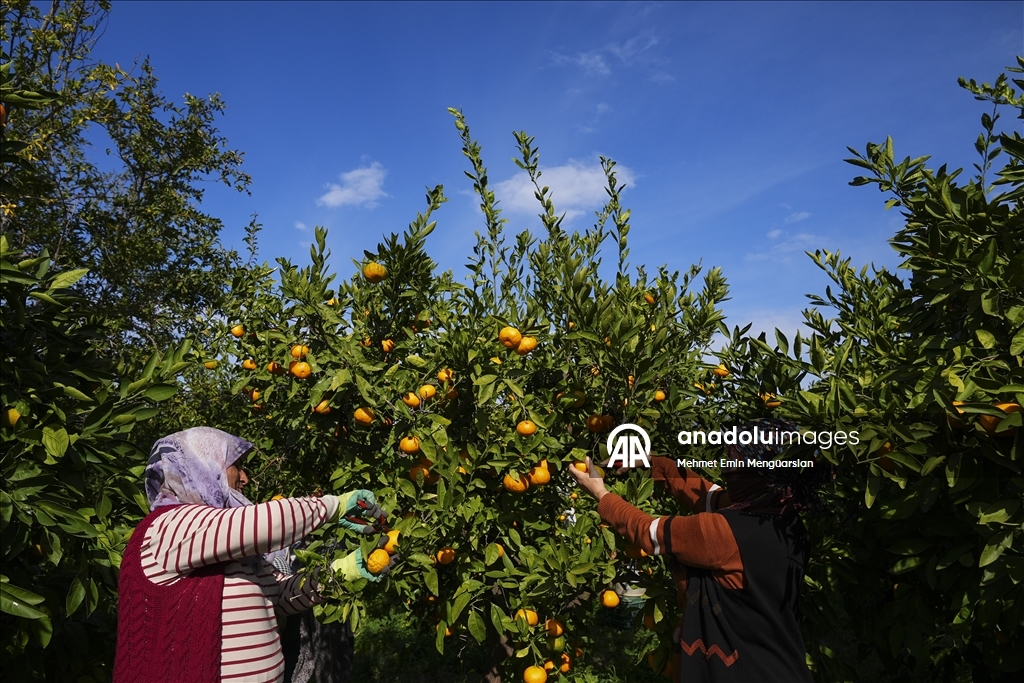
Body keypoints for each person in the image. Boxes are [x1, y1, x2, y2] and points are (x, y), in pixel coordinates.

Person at [113, 427, 394, 683]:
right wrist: (334, 506)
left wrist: (347, 570)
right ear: (201, 466)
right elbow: (266, 523)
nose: (245, 478)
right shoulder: (166, 528)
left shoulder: (225, 546)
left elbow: (281, 595)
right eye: (236, 466)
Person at [568, 419, 829, 682]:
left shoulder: (726, 532)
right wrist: (652, 463)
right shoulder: (782, 516)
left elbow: (648, 532)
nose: (727, 469)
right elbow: (707, 494)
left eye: (735, 462)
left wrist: (601, 493)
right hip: (780, 663)